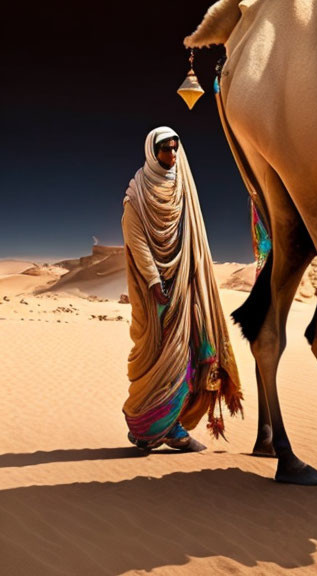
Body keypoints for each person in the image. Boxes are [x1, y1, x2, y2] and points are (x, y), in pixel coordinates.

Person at [121, 126, 242, 451]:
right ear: (152, 150)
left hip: (185, 285)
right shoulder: (137, 194)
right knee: (156, 358)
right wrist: (153, 279)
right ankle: (146, 425)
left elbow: (193, 237)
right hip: (155, 293)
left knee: (186, 357)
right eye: (165, 149)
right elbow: (138, 241)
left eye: (175, 148)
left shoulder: (183, 187)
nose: (172, 155)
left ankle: (173, 427)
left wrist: (193, 277)